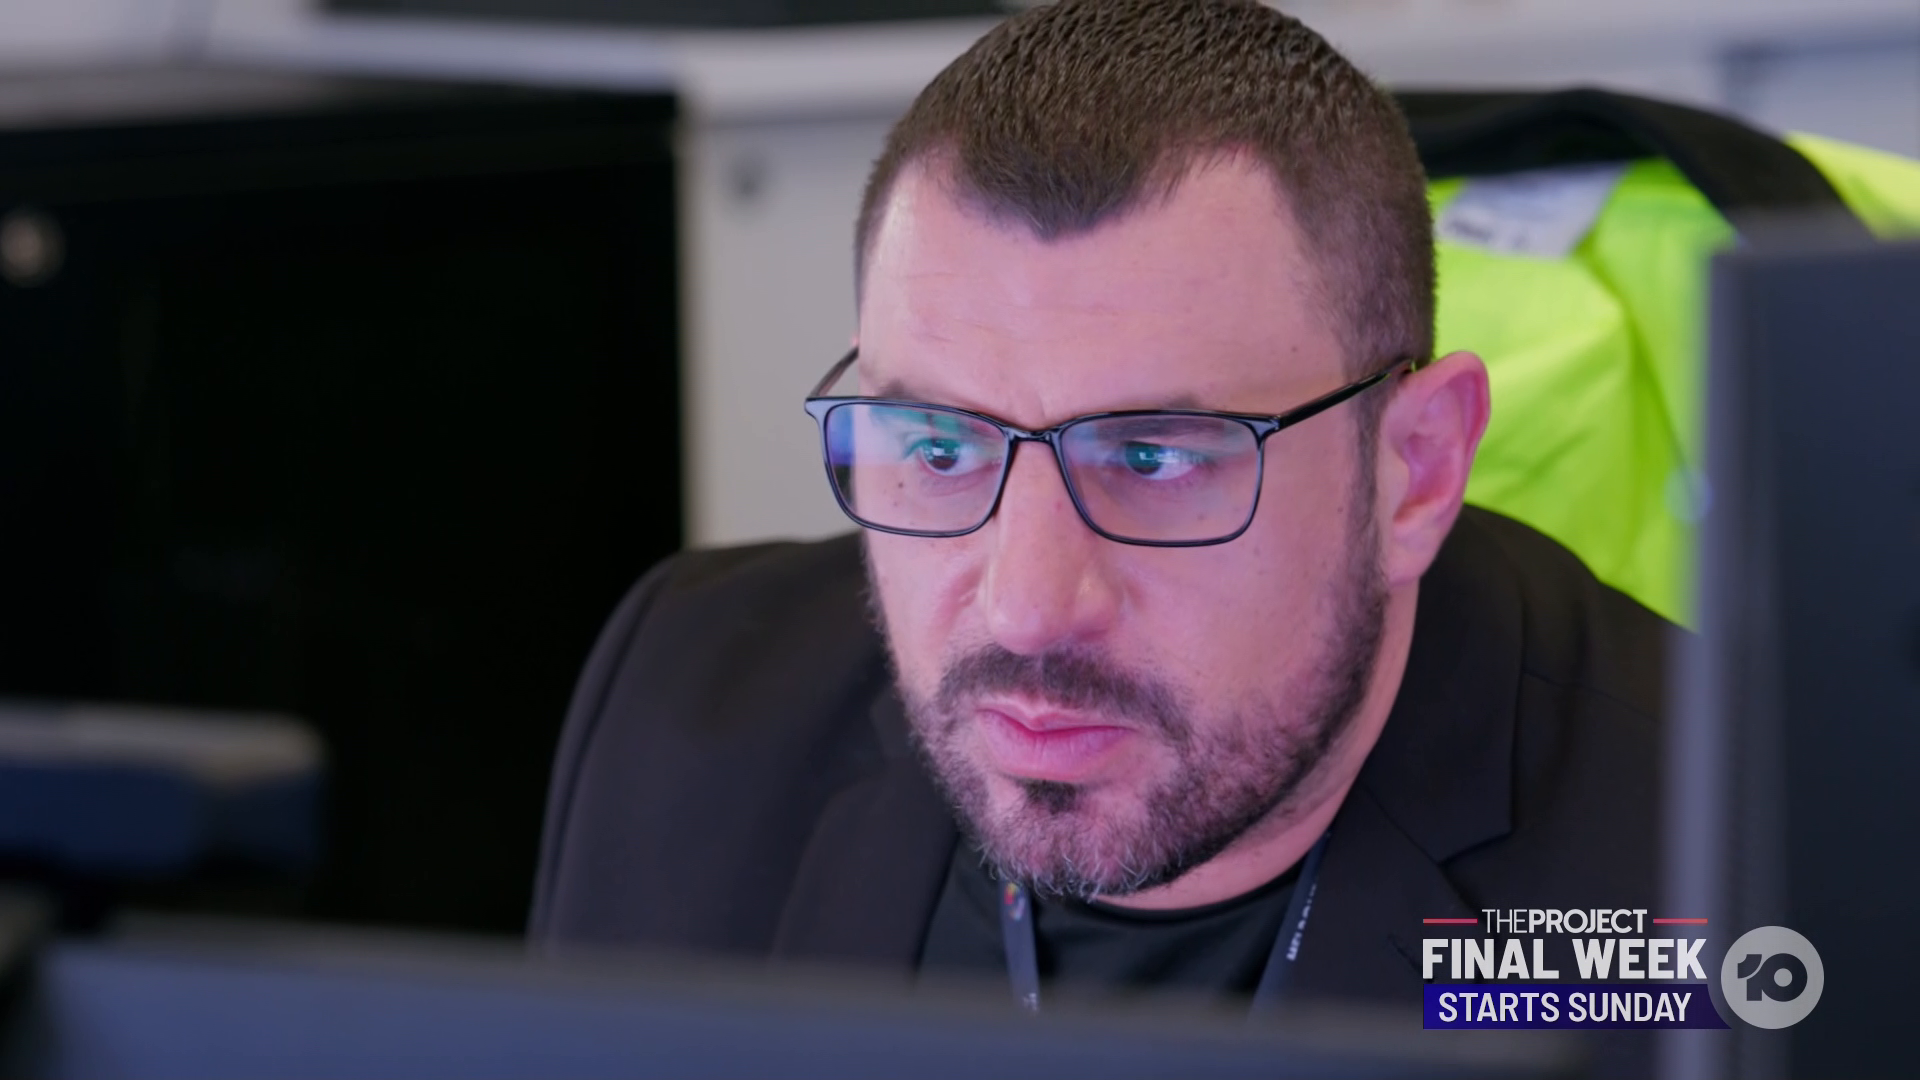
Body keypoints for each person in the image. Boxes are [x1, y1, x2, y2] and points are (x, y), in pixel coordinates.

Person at [532, 0, 1666, 1049]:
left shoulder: (1715, 857)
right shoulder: (690, 700)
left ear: (1414, 470)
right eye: (940, 449)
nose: (1026, 608)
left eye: (1154, 459)